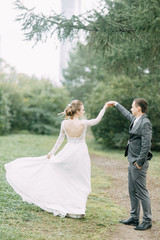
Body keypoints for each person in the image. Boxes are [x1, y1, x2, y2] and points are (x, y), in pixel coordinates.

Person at [5, 100, 109, 219]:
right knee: (80, 180)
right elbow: (97, 120)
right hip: (80, 153)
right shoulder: (83, 123)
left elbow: (60, 140)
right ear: (78, 111)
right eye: (83, 109)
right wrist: (104, 107)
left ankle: (74, 207)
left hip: (68, 150)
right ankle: (77, 208)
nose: (84, 111)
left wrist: (52, 152)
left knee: (67, 178)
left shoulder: (64, 123)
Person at [107, 98, 152, 230]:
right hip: (131, 159)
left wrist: (139, 162)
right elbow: (127, 114)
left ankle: (147, 220)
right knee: (132, 190)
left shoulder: (145, 123)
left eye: (132, 107)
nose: (131, 109)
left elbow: (146, 144)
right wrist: (116, 104)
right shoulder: (136, 119)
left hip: (138, 162)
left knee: (141, 191)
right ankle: (134, 217)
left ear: (138, 108)